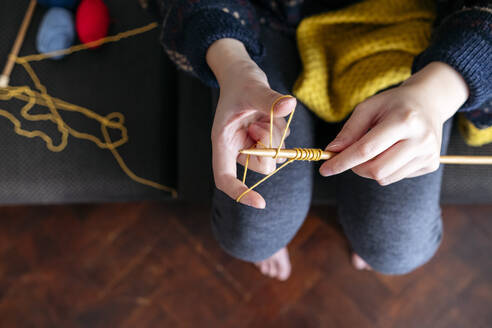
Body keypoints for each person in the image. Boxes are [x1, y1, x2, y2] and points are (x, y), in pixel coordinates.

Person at [154, 0, 492, 280]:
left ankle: (369, 233)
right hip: (260, 21)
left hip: (408, 32)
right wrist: (230, 63)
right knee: (251, 235)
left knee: (397, 247)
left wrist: (436, 93)